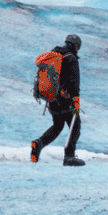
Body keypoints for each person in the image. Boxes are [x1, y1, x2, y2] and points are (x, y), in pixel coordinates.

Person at [30, 34, 84, 166]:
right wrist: (76, 100)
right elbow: (74, 83)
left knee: (58, 125)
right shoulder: (71, 59)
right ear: (76, 46)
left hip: (52, 98)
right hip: (66, 99)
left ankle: (38, 144)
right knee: (75, 126)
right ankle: (69, 157)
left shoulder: (54, 55)